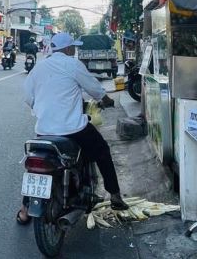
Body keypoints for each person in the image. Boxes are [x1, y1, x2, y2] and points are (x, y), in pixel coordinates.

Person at [16, 32, 128, 225]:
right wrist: (106, 100)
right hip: (73, 129)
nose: (75, 50)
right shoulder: (73, 64)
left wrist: (41, 109)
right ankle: (115, 196)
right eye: (73, 47)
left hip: (44, 131)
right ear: (68, 48)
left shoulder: (39, 67)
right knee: (102, 151)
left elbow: (27, 96)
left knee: (35, 169)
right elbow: (95, 89)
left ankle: (25, 210)